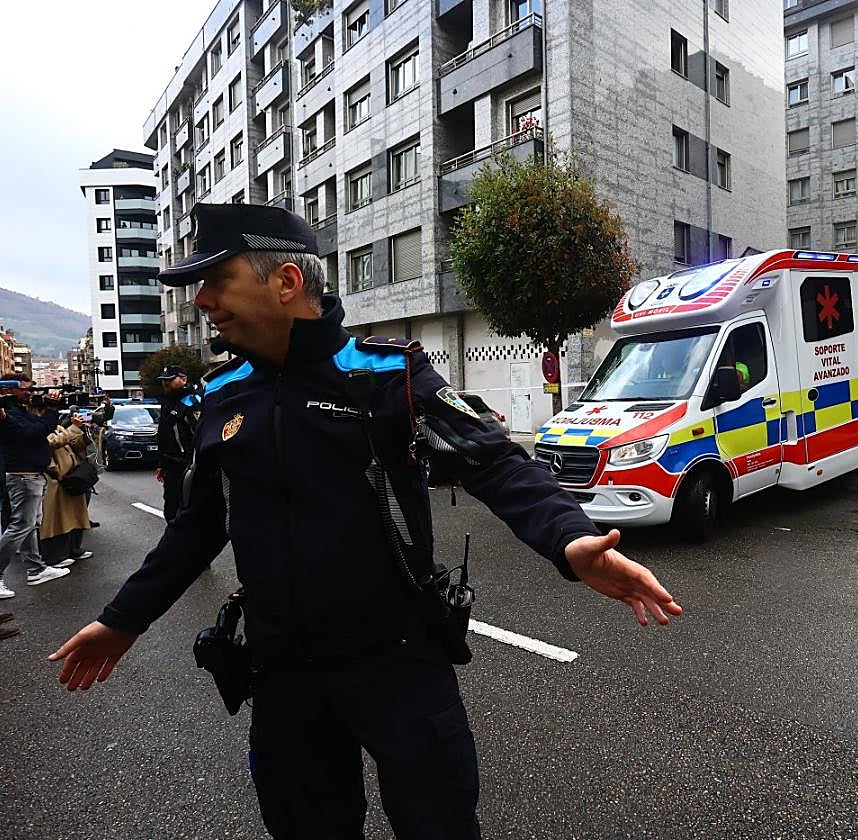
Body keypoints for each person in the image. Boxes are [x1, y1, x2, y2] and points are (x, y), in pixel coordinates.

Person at [50, 203, 682, 840]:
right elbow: (197, 526)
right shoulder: (221, 394)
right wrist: (122, 620)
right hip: (283, 675)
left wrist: (570, 539)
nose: (203, 300)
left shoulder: (386, 375)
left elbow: (493, 461)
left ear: (286, 282)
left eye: (217, 280)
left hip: (399, 663)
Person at [0, 376, 70, 598]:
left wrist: (47, 411)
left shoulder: (18, 410)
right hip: (24, 475)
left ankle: (36, 569)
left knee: (29, 524)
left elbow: (36, 428)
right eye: (26, 390)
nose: (30, 393)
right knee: (21, 524)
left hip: (30, 474)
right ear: (8, 391)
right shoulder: (8, 413)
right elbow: (33, 433)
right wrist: (50, 410)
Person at [39, 413, 93, 566]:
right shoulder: (40, 429)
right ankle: (54, 557)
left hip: (72, 477)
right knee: (56, 519)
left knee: (75, 516)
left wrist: (86, 431)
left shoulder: (58, 427)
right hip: (56, 479)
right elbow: (54, 442)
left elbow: (76, 445)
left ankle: (74, 549)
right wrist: (74, 427)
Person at [154, 365, 201, 521]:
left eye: (170, 380)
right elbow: (163, 435)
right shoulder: (167, 403)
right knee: (171, 508)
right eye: (164, 381)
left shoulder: (193, 402)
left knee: (189, 507)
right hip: (171, 466)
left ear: (183, 379)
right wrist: (161, 463)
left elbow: (200, 433)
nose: (166, 384)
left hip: (189, 465)